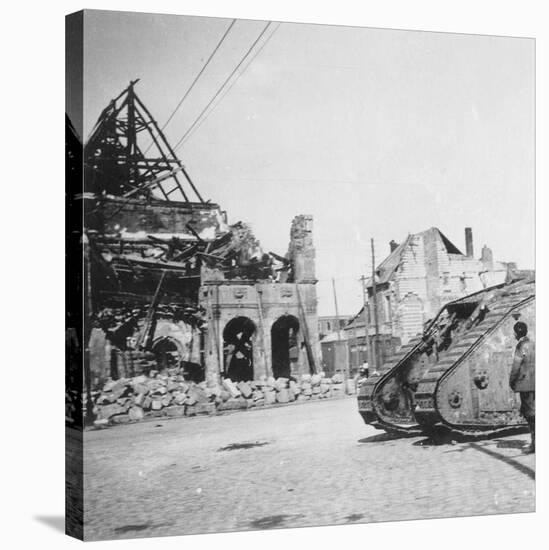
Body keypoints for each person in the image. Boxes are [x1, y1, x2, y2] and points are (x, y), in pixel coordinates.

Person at [509, 321, 535, 454]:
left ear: (516, 333)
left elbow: (515, 367)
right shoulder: (533, 344)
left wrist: (512, 382)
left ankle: (535, 445)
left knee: (530, 415)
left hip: (525, 385)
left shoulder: (520, 346)